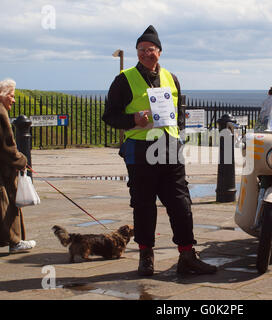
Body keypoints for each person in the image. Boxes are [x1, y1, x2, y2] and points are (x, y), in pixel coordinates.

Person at [102, 25, 217, 276]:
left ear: (160, 52)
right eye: (141, 50)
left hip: (169, 148)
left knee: (181, 204)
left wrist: (180, 136)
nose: (146, 54)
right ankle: (146, 257)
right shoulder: (123, 80)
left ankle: (187, 255)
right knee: (143, 205)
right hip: (140, 149)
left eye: (150, 50)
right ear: (137, 53)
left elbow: (180, 111)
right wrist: (133, 119)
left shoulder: (172, 77)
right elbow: (109, 116)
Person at [0, 79, 36, 253]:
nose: (13, 100)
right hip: (4, 170)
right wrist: (22, 161)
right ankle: (15, 241)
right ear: (3, 96)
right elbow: (7, 145)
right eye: (11, 96)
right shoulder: (0, 113)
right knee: (9, 205)